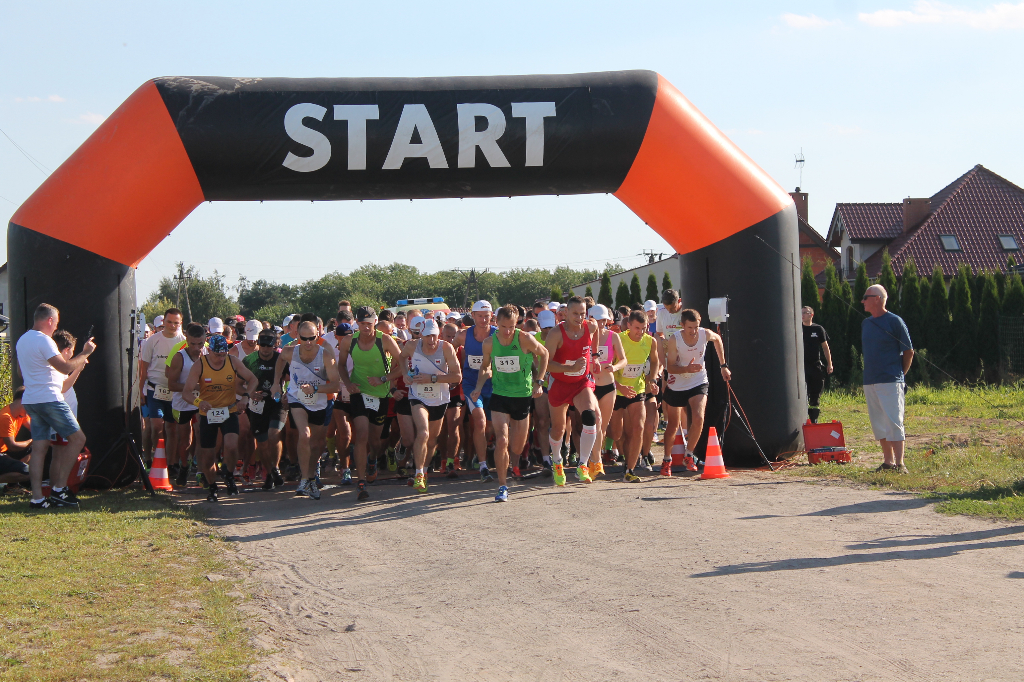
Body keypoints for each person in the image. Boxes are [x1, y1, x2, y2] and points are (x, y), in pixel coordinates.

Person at [16, 303, 96, 509]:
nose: (55, 328)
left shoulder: (22, 340)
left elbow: (20, 372)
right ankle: (60, 489)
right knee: (78, 439)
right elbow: (65, 366)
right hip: (49, 399)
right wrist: (85, 353)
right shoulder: (45, 340)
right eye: (56, 323)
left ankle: (37, 498)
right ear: (50, 320)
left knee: (40, 448)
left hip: (31, 400)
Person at [471, 305, 548, 501]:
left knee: (516, 446)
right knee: (502, 440)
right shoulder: (489, 343)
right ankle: (502, 486)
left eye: (512, 327)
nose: (507, 331)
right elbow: (485, 367)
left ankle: (513, 465)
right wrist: (479, 386)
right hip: (500, 395)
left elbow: (544, 354)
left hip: (522, 396)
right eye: (504, 326)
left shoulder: (524, 338)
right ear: (496, 323)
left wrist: (539, 382)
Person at [336, 306, 404, 501]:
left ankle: (373, 458)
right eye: (362, 324)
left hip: (380, 394)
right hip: (359, 392)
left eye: (369, 323)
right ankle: (361, 481)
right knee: (362, 434)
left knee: (375, 441)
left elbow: (403, 365)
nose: (366, 328)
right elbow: (341, 365)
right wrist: (348, 384)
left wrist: (384, 379)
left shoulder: (385, 340)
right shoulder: (350, 340)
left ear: (375, 322)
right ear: (356, 323)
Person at [182, 334, 259, 502]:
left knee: (231, 445)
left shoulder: (232, 361)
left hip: (229, 410)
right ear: (209, 351)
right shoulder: (200, 365)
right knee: (208, 454)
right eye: (217, 355)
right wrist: (199, 402)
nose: (220, 358)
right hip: (207, 413)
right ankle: (212, 486)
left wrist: (246, 397)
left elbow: (253, 379)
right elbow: (186, 392)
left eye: (223, 354)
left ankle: (229, 475)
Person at [272, 321, 341, 499]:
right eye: (304, 338)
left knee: (317, 444)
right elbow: (279, 360)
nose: (309, 342)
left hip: (318, 401)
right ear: (298, 337)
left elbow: (336, 385)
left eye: (312, 338)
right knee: (304, 435)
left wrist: (316, 389)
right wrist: (275, 384)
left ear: (317, 336)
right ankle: (304, 479)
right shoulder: (289, 352)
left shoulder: (325, 355)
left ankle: (310, 477)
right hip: (297, 398)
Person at [662, 309, 731, 474]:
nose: (693, 331)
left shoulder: (704, 334)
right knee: (672, 425)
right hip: (677, 383)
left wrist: (723, 366)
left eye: (696, 327)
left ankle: (689, 455)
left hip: (698, 380)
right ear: (682, 325)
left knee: (699, 417)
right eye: (690, 328)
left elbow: (718, 339)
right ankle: (666, 459)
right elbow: (670, 367)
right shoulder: (674, 340)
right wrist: (687, 368)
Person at [544, 296, 601, 487]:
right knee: (559, 429)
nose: (579, 317)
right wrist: (570, 367)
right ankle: (558, 461)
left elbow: (596, 333)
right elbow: (547, 365)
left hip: (581, 383)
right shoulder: (555, 334)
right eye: (575, 313)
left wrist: (595, 356)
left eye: (582, 313)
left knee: (590, 417)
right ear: (566, 313)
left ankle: (582, 464)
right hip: (559, 383)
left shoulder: (590, 327)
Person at [399, 318, 461, 493]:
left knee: (432, 439)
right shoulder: (412, 346)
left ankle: (424, 471)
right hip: (418, 396)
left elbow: (457, 376)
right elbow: (401, 357)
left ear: (438, 335)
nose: (432, 340)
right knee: (423, 432)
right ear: (421, 336)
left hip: (439, 397)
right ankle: (418, 473)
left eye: (434, 336)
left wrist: (433, 379)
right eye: (428, 337)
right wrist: (405, 374)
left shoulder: (446, 348)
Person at [861, 284, 914, 474]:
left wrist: (901, 374)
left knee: (893, 421)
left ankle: (900, 464)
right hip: (870, 380)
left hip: (891, 380)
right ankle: (888, 461)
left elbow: (909, 351)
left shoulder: (895, 321)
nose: (862, 300)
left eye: (866, 297)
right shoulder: (866, 323)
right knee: (878, 423)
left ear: (877, 298)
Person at [609, 310, 661, 482]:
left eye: (644, 328)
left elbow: (655, 361)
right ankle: (615, 454)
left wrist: (652, 379)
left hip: (637, 390)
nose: (640, 332)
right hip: (616, 391)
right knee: (618, 434)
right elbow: (608, 367)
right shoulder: (619, 340)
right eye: (637, 328)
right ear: (629, 325)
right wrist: (619, 386)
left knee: (639, 428)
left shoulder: (650, 341)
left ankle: (630, 470)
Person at [456, 301, 497, 481]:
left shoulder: (498, 334)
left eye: (486, 315)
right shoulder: (464, 335)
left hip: (494, 386)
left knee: (489, 427)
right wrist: (454, 371)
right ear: (473, 316)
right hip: (472, 385)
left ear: (491, 316)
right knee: (479, 421)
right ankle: (483, 466)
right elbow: (448, 350)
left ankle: (482, 450)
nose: (483, 319)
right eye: (479, 315)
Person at [139, 308, 184, 470]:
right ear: (163, 322)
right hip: (154, 389)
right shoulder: (152, 340)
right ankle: (153, 459)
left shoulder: (183, 341)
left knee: (171, 428)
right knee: (156, 425)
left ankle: (170, 464)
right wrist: (140, 391)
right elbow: (143, 368)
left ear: (180, 324)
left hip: (174, 391)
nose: (172, 325)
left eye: (176, 323)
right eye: (169, 322)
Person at [244, 328, 286, 490]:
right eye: (262, 345)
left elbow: (291, 379)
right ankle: (270, 473)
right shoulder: (249, 360)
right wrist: (250, 393)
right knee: (261, 443)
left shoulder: (280, 359)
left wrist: (287, 394)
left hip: (277, 402)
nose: (265, 349)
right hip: (257, 405)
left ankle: (275, 468)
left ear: (275, 345)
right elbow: (238, 384)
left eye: (269, 346)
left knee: (273, 434)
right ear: (258, 344)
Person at [588, 304, 626, 479]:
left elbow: (624, 360)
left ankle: (596, 461)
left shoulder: (613, 336)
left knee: (602, 427)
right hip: (589, 386)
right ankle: (593, 460)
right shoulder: (584, 337)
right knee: (592, 424)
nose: (601, 324)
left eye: (604, 320)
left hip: (608, 385)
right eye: (598, 320)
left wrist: (615, 366)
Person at [166, 323, 205, 485]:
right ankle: (184, 466)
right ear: (187, 340)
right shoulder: (179, 356)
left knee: (202, 434)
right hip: (183, 403)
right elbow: (172, 385)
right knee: (186, 440)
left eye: (200, 344)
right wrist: (192, 387)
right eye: (193, 344)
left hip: (202, 402)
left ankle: (201, 470)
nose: (197, 348)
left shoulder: (208, 354)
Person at [801, 306, 833, 424]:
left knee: (816, 391)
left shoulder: (818, 329)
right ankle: (802, 417)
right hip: (801, 366)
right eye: (801, 313)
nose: (803, 315)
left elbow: (825, 347)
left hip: (815, 365)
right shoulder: (798, 329)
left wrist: (829, 364)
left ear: (811, 315)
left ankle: (814, 419)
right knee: (803, 392)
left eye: (805, 313)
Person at [0, 387, 32, 485]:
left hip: (5, 452)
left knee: (36, 449)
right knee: (30, 472)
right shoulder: (6, 417)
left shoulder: (22, 414)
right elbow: (12, 446)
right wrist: (32, 441)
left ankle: (12, 485)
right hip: (2, 453)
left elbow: (35, 430)